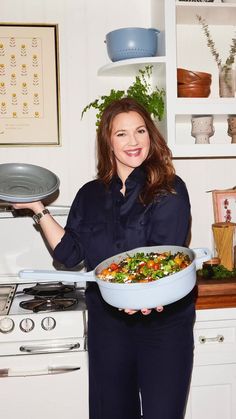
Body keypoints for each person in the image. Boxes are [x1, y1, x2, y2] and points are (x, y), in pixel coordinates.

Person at [13, 97, 195, 419]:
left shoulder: (169, 189)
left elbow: (163, 257)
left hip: (163, 325)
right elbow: (69, 255)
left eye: (140, 131)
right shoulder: (89, 195)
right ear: (108, 142)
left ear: (151, 136)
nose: (133, 141)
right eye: (121, 134)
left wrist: (138, 293)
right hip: (109, 324)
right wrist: (38, 208)